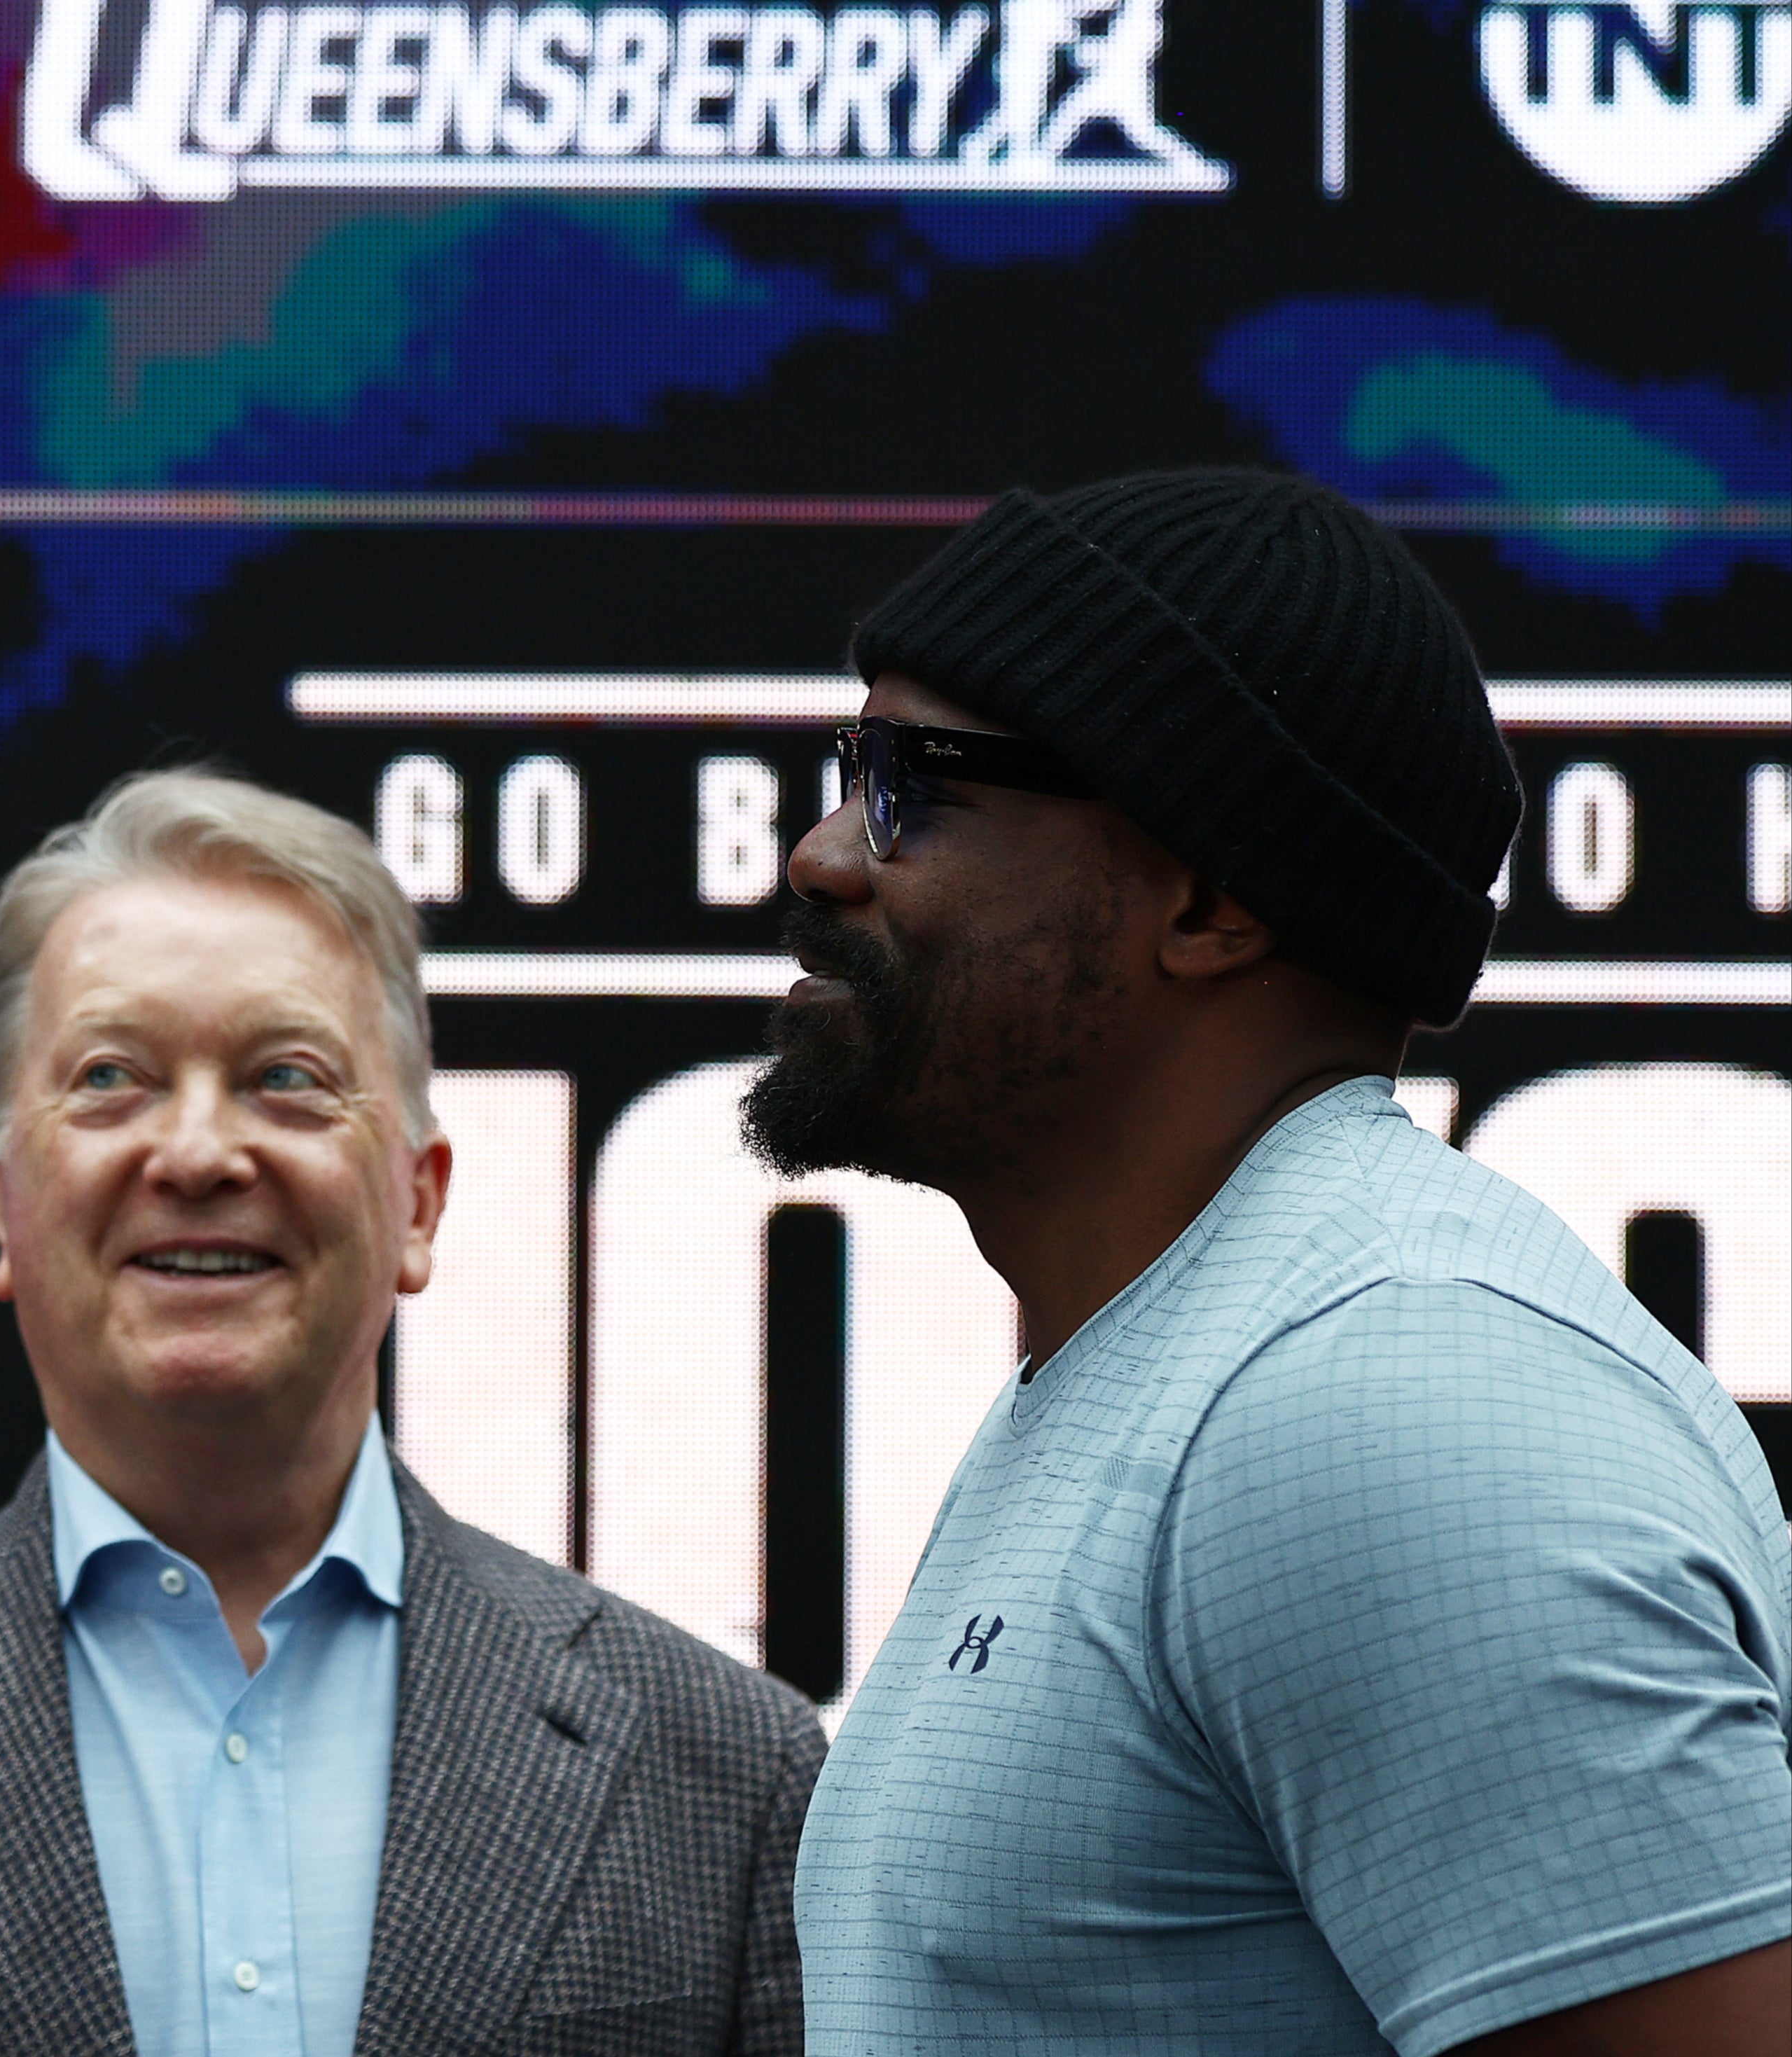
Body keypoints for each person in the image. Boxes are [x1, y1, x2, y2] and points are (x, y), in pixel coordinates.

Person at [755, 469, 1790, 2054]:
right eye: (844, 768)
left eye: (914, 785)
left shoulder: (1381, 1402)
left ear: (1209, 896)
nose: (822, 854)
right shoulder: (1178, 1352)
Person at [0, 769, 828, 2056]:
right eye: (110, 1077)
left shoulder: (727, 1775)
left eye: (285, 1077)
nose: (200, 1152)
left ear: (419, 1203)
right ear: (2, 1200)